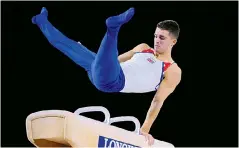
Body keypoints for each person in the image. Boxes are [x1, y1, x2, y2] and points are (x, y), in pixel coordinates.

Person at [32, 7, 182, 146]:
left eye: (162, 38)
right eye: (155, 36)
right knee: (68, 45)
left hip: (113, 82)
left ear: (173, 42)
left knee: (102, 55)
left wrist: (144, 129)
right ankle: (41, 21)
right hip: (103, 71)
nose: (156, 40)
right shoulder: (142, 48)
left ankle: (113, 28)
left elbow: (157, 101)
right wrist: (94, 58)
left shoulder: (172, 71)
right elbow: (114, 60)